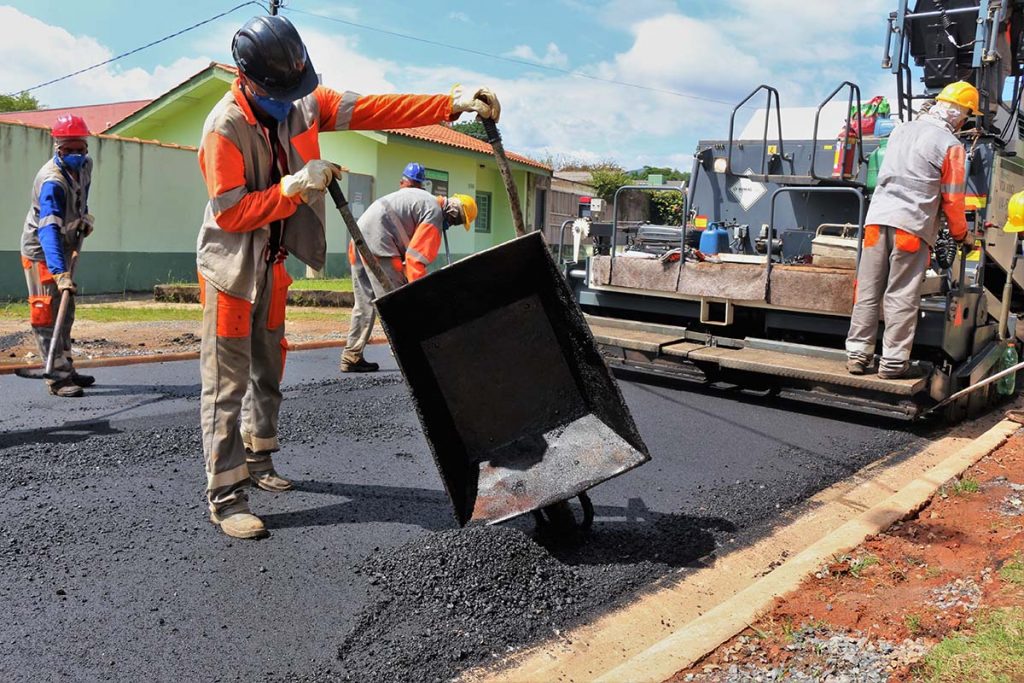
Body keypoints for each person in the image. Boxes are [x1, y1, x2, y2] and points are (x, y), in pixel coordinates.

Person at [198, 14, 499, 539]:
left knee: (269, 368)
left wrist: (452, 104)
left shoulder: (302, 102)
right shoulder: (223, 126)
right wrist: (291, 187)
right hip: (231, 270)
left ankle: (260, 461)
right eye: (279, 91)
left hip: (273, 263)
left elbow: (376, 107)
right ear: (248, 81)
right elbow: (229, 214)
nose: (290, 100)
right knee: (227, 386)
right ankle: (226, 497)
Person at [846, 81, 976, 379]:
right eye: (967, 116)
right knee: (901, 294)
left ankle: (857, 355)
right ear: (960, 115)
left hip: (876, 222)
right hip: (911, 226)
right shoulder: (950, 145)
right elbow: (953, 199)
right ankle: (892, 363)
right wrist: (961, 235)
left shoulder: (900, 130)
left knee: (867, 289)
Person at [340, 190, 477, 373]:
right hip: (379, 242)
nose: (452, 225)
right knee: (395, 303)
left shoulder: (424, 200)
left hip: (360, 235)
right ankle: (408, 358)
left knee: (365, 302)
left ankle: (352, 355)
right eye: (457, 221)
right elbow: (415, 260)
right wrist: (417, 295)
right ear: (455, 212)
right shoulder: (434, 214)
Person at [21, 114, 97, 398]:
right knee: (46, 312)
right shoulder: (51, 181)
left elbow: (81, 197)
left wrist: (83, 219)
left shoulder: (86, 165)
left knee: (66, 312)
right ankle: (56, 377)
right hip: (42, 250)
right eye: (70, 150)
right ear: (59, 148)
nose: (76, 154)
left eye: (80, 148)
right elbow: (48, 230)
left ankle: (67, 367)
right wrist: (59, 272)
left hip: (65, 245)